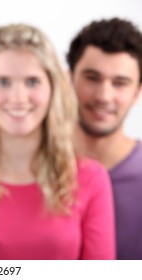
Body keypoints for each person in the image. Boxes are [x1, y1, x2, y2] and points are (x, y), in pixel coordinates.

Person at [0, 23, 115, 260]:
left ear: (52, 89)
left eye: (32, 81)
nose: (18, 98)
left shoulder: (91, 179)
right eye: (4, 82)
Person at [66, 18, 142, 260]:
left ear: (137, 91)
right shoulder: (29, 168)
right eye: (92, 78)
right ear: (69, 79)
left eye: (120, 83)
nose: (104, 96)